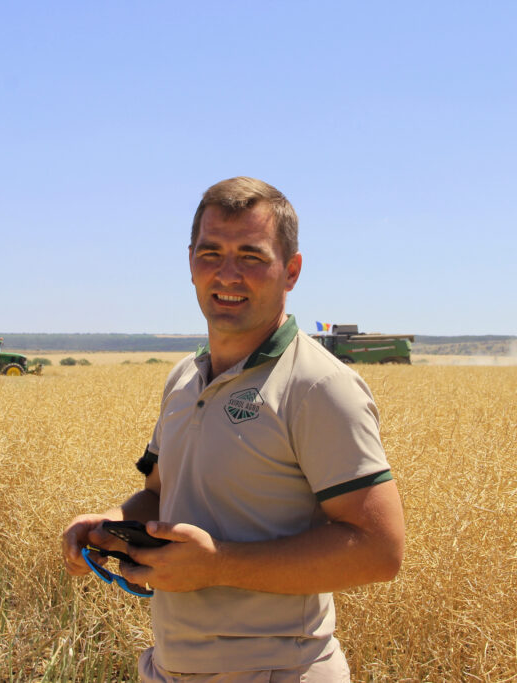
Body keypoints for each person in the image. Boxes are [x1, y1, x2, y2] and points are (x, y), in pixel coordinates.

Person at [62, 177, 405, 682]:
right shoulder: (183, 379)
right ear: (190, 262)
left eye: (251, 256)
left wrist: (218, 565)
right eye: (211, 253)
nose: (227, 274)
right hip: (169, 668)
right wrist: (108, 524)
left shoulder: (318, 386)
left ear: (291, 271)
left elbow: (381, 550)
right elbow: (159, 496)